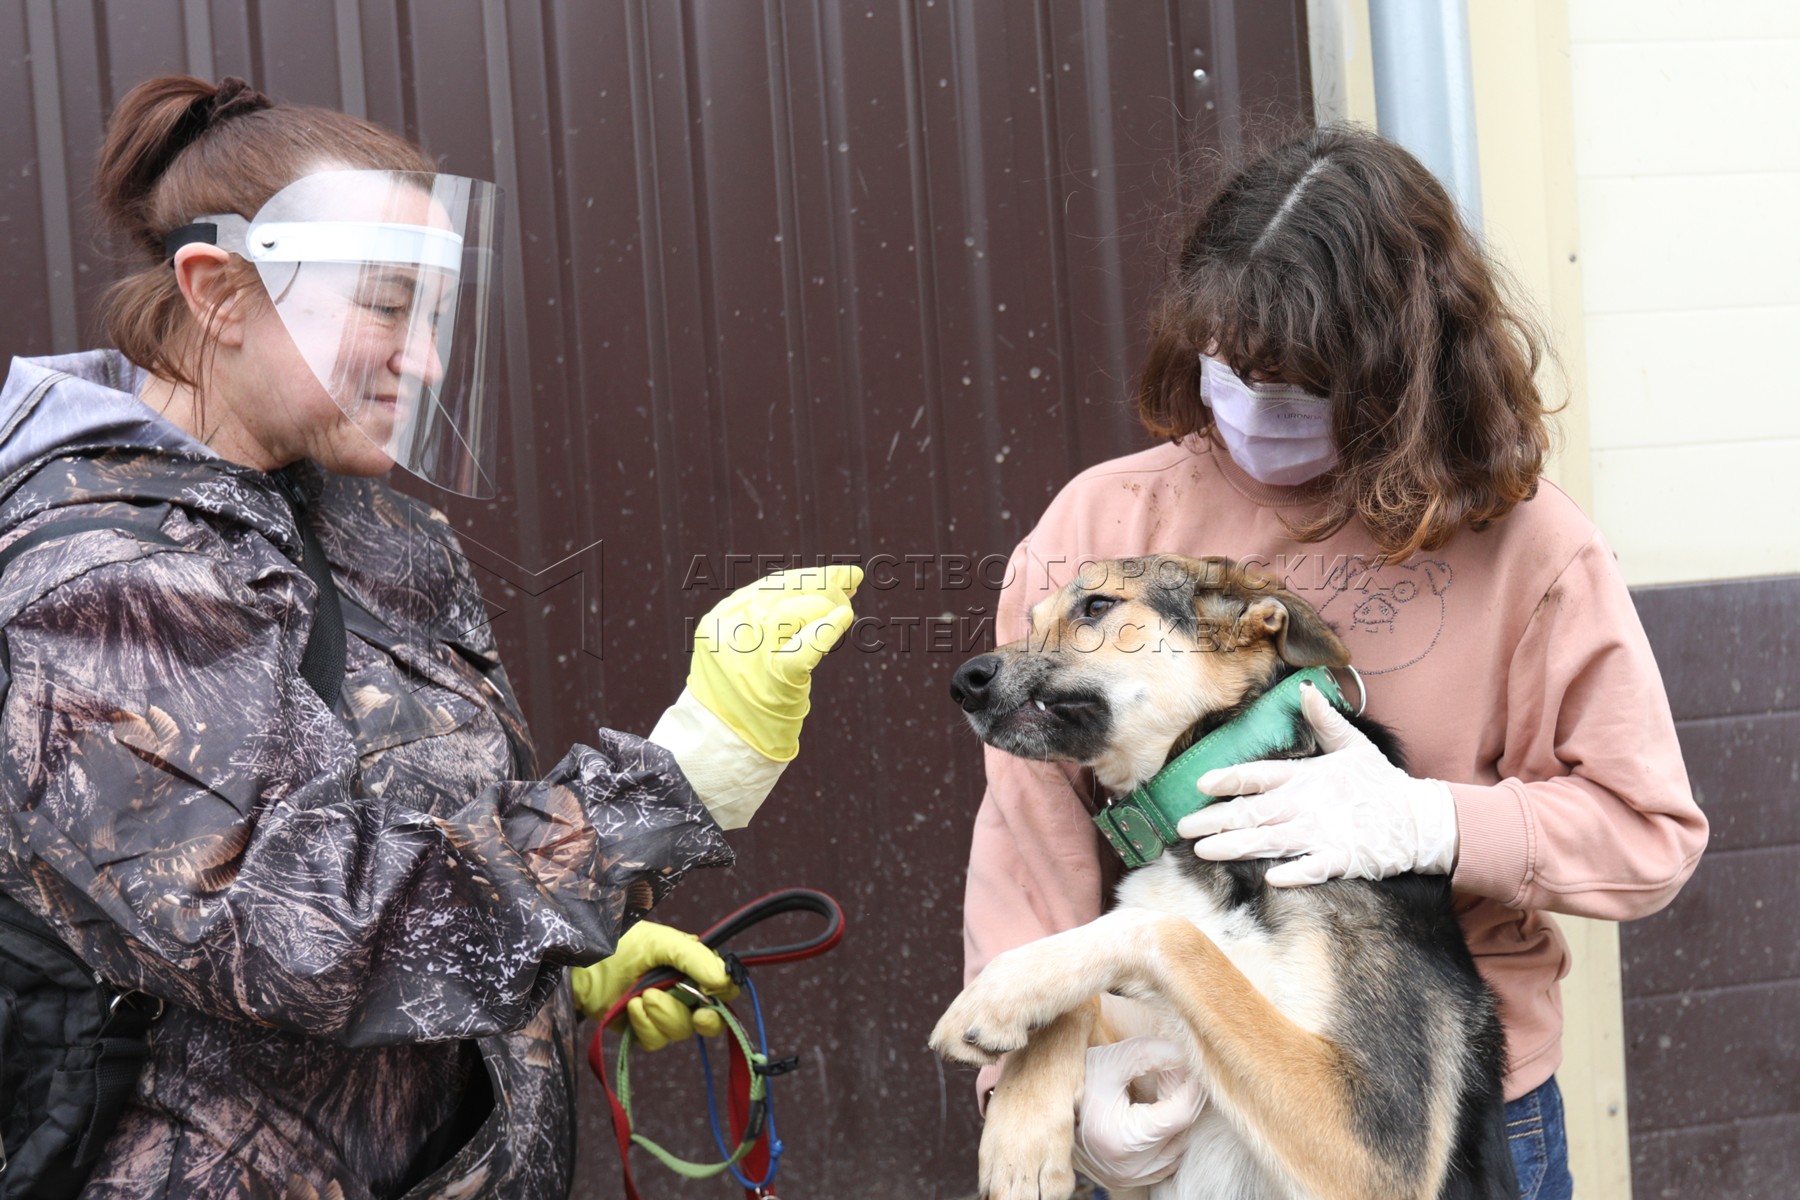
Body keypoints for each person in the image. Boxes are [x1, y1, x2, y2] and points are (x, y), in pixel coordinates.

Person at [0, 75, 857, 1199]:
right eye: (386, 305)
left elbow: (431, 837)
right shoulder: (104, 576)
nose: (429, 361)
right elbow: (295, 937)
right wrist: (681, 779)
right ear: (218, 292)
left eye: (435, 314)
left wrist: (566, 962)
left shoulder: (368, 525)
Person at [959, 125, 1708, 1198]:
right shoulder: (1106, 525)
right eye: (1228, 366)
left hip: (1438, 1117)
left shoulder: (1527, 547)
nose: (1252, 413)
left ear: (1400, 374)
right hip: (1173, 1092)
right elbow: (1029, 849)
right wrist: (1049, 1076)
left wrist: (1433, 823)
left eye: (1301, 385)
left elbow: (1648, 833)